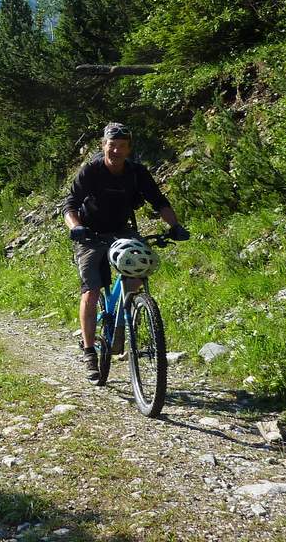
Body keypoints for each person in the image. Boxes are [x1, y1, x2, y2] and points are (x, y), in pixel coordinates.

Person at [62, 122, 189, 380]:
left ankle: (127, 322)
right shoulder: (91, 170)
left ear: (129, 149)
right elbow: (70, 205)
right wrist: (76, 227)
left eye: (122, 146)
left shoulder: (136, 173)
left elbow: (159, 201)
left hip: (122, 230)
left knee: (136, 275)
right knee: (92, 289)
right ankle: (89, 352)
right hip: (89, 234)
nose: (116, 151)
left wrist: (174, 225)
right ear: (103, 146)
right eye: (112, 145)